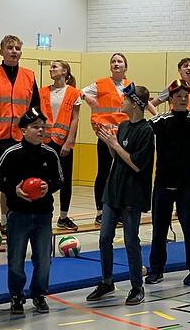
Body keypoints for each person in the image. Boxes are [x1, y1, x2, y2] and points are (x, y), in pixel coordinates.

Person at [86, 83, 155, 305]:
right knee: (104, 237)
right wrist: (109, 143)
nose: (121, 102)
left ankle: (137, 286)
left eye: (125, 99)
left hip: (132, 194)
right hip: (113, 191)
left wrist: (115, 144)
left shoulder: (146, 131)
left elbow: (136, 165)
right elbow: (119, 158)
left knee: (130, 240)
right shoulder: (123, 125)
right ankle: (107, 281)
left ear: (136, 104)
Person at [0, 108, 63, 315]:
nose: (41, 130)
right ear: (23, 130)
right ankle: (16, 296)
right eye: (35, 127)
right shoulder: (11, 154)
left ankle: (39, 294)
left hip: (42, 216)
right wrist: (13, 189)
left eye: (43, 127)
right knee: (15, 259)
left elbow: (60, 179)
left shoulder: (50, 154)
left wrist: (49, 186)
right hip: (18, 215)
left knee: (43, 259)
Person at [146, 80, 190, 286]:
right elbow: (141, 133)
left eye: (186, 96)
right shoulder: (159, 121)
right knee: (159, 230)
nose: (183, 100)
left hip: (188, 185)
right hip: (163, 184)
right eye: (178, 96)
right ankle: (156, 270)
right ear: (170, 100)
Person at [0, 35, 40, 235]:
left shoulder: (29, 76)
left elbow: (35, 108)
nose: (14, 51)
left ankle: (6, 221)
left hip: (20, 138)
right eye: (10, 48)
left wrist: (34, 132)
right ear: (1, 51)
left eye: (18, 48)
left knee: (13, 181)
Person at [81, 53, 156, 225]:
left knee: (122, 172)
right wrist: (88, 99)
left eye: (119, 61)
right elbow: (79, 93)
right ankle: (100, 211)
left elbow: (144, 102)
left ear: (125, 67)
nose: (116, 64)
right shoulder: (100, 84)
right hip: (106, 135)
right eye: (113, 61)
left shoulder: (130, 86)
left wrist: (157, 116)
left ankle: (120, 209)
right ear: (110, 66)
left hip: (125, 135)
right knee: (104, 172)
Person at [39, 60, 81, 230]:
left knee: (65, 181)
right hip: (45, 141)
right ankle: (42, 214)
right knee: (43, 178)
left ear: (64, 71)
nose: (51, 69)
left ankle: (63, 217)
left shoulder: (73, 93)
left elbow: (75, 118)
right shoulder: (42, 92)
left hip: (63, 142)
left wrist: (70, 140)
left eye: (55, 67)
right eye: (50, 67)